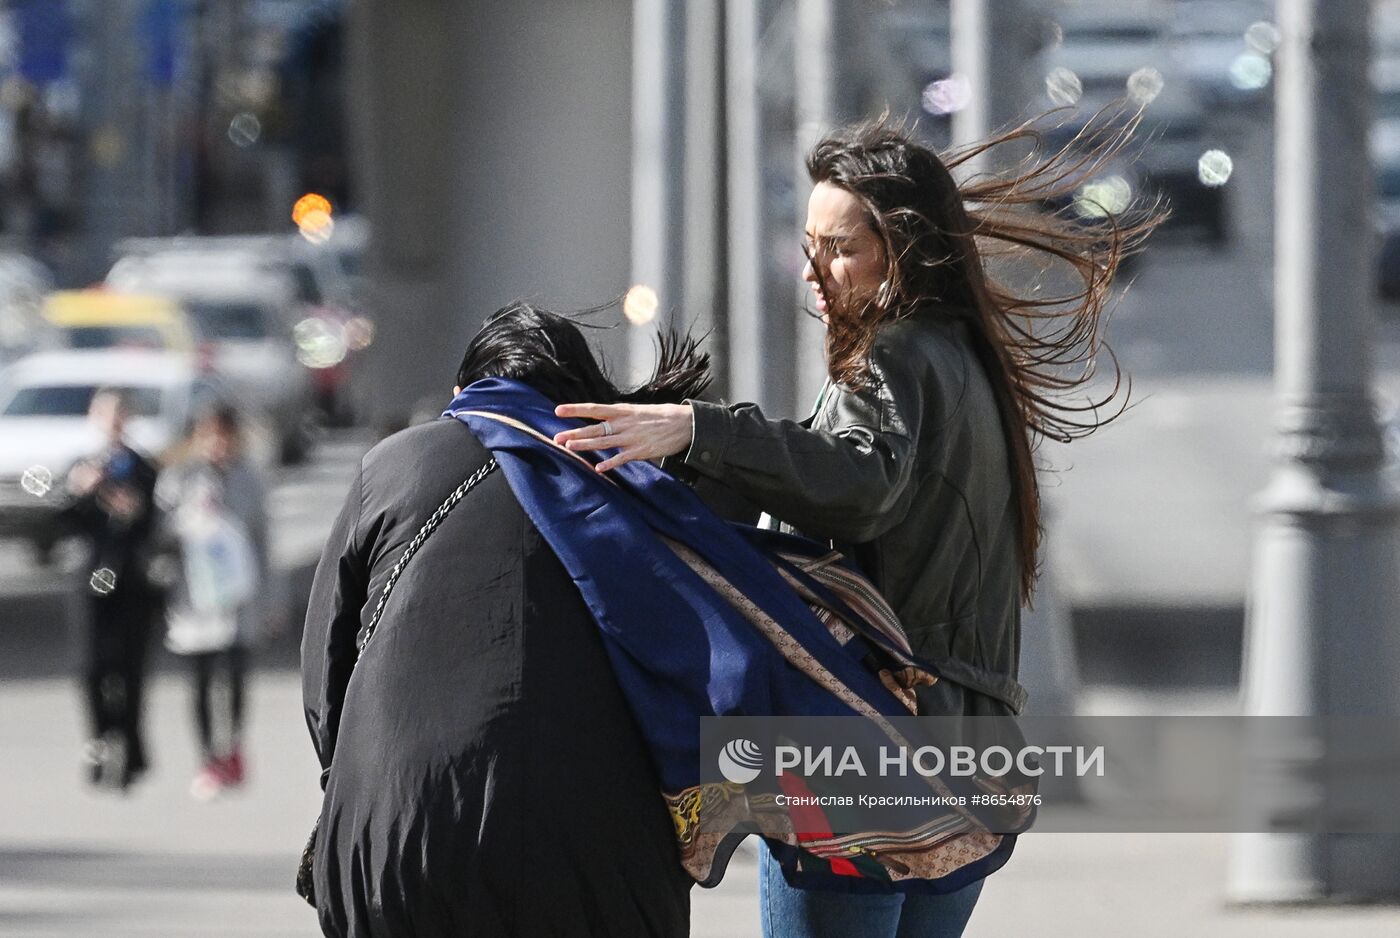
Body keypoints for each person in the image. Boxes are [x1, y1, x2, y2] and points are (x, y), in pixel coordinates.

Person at [552, 117, 1163, 937]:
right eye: (809, 244)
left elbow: (861, 483)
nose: (814, 270)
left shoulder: (891, 358)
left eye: (839, 248)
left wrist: (698, 430)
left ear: (902, 252)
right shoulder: (967, 360)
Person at [299, 304, 696, 938]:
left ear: (464, 394)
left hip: (393, 848)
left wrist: (354, 781)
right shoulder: (635, 487)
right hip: (600, 863)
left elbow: (326, 673)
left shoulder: (393, 464)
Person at [155, 402, 273, 800]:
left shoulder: (249, 479)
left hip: (238, 595)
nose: (218, 444)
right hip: (194, 597)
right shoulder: (181, 477)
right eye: (209, 436)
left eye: (224, 436)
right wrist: (188, 518)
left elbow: (262, 541)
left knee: (237, 675)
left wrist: (273, 600)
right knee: (201, 679)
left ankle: (234, 746)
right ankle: (207, 758)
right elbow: (160, 529)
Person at [62, 387, 162, 791]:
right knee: (90, 667)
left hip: (133, 580)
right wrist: (79, 491)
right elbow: (63, 522)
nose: (113, 422)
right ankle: (99, 739)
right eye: (105, 414)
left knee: (132, 668)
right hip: (90, 577)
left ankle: (132, 743)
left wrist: (135, 511)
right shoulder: (82, 466)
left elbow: (155, 521)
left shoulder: (143, 468)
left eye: (120, 414)